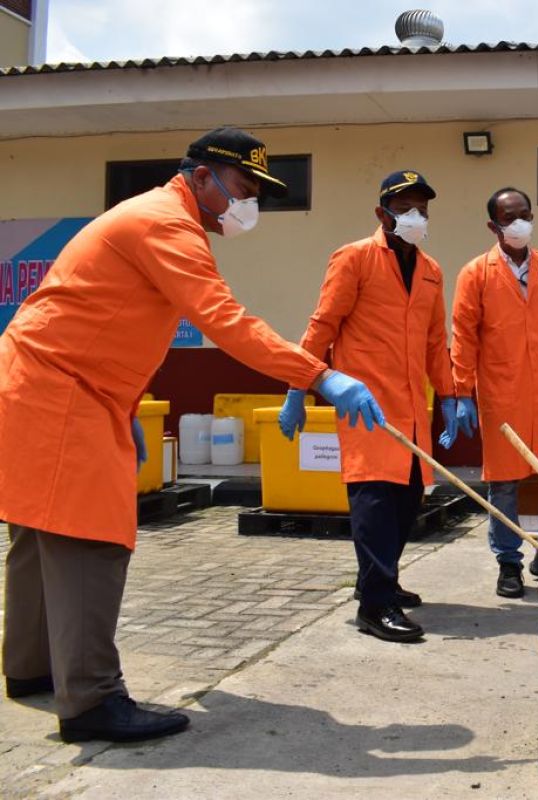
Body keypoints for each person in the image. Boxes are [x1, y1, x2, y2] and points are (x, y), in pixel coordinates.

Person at [0, 127, 385, 743]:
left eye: (256, 192)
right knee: (90, 536)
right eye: (240, 187)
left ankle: (32, 670)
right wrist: (319, 375)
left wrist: (124, 404)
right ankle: (92, 701)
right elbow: (225, 322)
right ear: (200, 177)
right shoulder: (168, 225)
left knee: (39, 528)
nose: (247, 203)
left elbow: (103, 314)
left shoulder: (152, 217)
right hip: (62, 389)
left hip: (42, 379)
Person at [279, 170, 455, 644]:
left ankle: (383, 581)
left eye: (422, 208)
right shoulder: (354, 258)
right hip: (366, 405)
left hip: (414, 408)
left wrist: (453, 395)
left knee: (407, 502)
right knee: (375, 505)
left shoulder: (431, 271)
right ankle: (374, 607)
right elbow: (322, 326)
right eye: (405, 208)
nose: (415, 217)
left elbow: (437, 342)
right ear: (382, 213)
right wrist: (298, 389)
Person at [450, 187, 538, 598]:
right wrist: (461, 392)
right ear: (493, 225)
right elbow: (463, 337)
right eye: (509, 218)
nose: (519, 223)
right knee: (505, 483)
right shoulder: (476, 273)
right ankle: (508, 563)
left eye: (525, 214)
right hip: (503, 393)